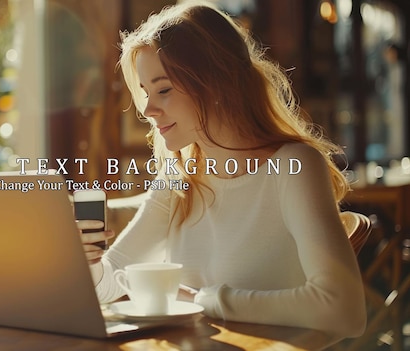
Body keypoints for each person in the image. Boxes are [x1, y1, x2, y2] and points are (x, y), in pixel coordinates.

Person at [78, 1, 366, 339]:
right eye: (145, 92)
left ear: (215, 82)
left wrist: (206, 300)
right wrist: (91, 262)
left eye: (164, 89)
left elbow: (344, 311)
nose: (148, 110)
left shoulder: (294, 166)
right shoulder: (178, 176)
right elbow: (109, 286)